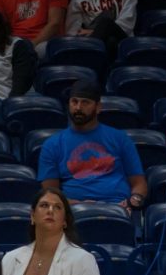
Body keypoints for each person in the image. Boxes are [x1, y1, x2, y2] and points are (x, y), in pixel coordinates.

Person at [38, 81, 147, 209]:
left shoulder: (120, 138)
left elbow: (139, 183)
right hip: (73, 211)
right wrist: (71, 204)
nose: (78, 107)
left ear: (98, 107)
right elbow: (51, 193)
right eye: (74, 102)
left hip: (118, 207)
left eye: (85, 102)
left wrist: (133, 201)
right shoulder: (52, 144)